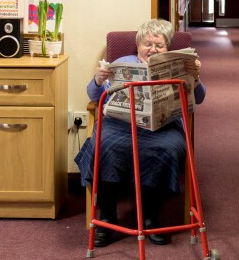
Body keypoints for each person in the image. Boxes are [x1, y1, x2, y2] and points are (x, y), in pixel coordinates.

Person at [74, 19, 205, 247]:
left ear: (167, 47)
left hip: (163, 127)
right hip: (120, 125)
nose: (153, 49)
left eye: (159, 45)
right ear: (138, 45)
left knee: (167, 149)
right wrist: (98, 79)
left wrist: (195, 78)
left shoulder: (179, 66)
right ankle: (107, 218)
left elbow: (200, 98)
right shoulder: (122, 63)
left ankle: (150, 217)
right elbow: (94, 97)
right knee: (103, 145)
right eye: (147, 44)